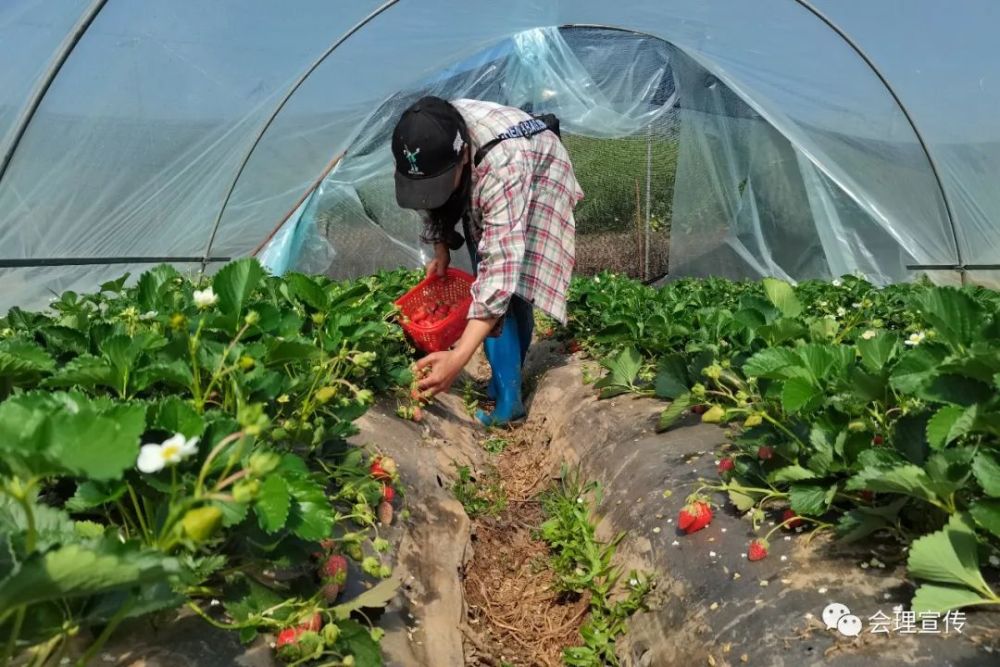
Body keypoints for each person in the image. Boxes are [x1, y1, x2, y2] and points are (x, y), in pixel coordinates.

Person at [391, 96, 582, 427]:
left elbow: (499, 273)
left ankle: (509, 400)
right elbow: (429, 196)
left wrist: (458, 356)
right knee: (493, 277)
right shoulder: (425, 136)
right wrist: (441, 247)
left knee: (512, 283)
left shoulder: (503, 165)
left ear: (463, 156)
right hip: (494, 167)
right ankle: (502, 380)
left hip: (540, 173)